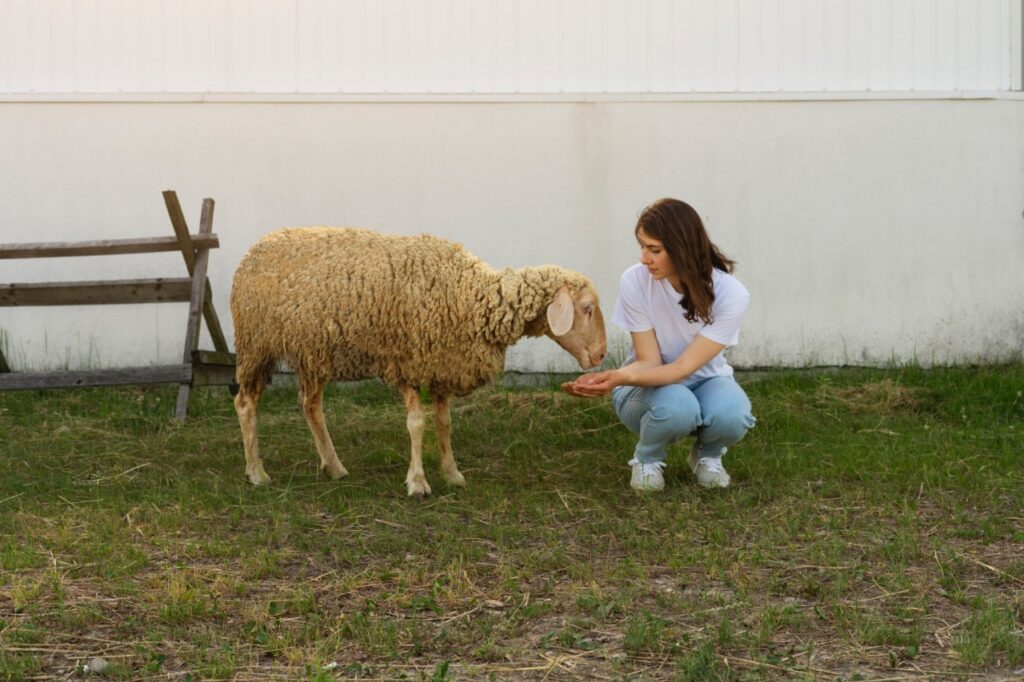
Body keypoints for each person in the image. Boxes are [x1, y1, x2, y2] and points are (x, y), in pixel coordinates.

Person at [562, 198, 755, 491]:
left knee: (736, 413)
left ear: (683, 249)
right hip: (644, 385)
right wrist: (616, 379)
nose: (644, 258)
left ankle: (707, 457)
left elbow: (682, 368)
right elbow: (650, 360)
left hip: (704, 381)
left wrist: (614, 377)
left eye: (655, 250)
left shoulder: (731, 294)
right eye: (642, 246)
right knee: (678, 406)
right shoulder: (635, 281)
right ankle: (646, 459)